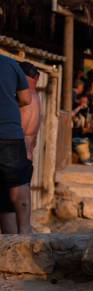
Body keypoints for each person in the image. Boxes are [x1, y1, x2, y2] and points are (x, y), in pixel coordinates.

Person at [0, 55, 32, 234]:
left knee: (3, 194)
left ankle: (8, 241)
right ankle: (25, 234)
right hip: (9, 133)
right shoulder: (12, 64)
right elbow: (26, 99)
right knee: (17, 185)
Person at [18, 62, 41, 161]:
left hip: (17, 156)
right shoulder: (37, 99)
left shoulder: (23, 97)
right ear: (36, 78)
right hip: (28, 158)